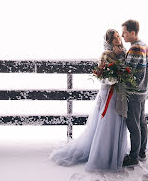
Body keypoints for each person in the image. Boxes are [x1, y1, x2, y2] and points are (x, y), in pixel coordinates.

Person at [50, 29, 128, 171]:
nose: (118, 39)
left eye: (118, 36)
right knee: (107, 123)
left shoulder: (124, 52)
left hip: (120, 93)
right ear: (109, 42)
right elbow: (101, 76)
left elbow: (127, 69)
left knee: (117, 123)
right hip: (108, 93)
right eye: (114, 37)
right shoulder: (105, 55)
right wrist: (112, 79)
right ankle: (103, 157)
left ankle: (116, 154)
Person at [121, 19, 148, 167]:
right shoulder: (144, 46)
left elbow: (127, 71)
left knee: (133, 125)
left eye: (125, 32)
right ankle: (141, 152)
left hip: (134, 92)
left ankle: (133, 157)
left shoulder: (134, 49)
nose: (122, 35)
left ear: (133, 32)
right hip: (143, 90)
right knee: (141, 122)